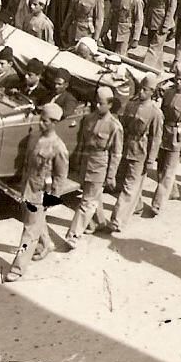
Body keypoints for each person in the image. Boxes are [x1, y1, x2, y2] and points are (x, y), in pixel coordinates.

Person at [5, 104, 69, 281]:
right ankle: (46, 244)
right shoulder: (35, 138)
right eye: (41, 119)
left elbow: (60, 176)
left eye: (45, 121)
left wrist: (52, 199)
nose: (41, 123)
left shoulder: (58, 147)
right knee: (35, 223)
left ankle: (18, 268)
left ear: (54, 123)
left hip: (41, 194)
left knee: (29, 232)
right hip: (28, 189)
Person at [66, 88, 123, 247]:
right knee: (92, 195)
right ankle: (99, 222)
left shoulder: (114, 126)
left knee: (87, 201)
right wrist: (77, 161)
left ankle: (73, 235)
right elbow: (82, 142)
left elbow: (116, 153)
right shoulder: (88, 119)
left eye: (102, 103)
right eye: (96, 102)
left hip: (100, 164)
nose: (97, 106)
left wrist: (111, 175)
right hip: (86, 162)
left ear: (110, 104)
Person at [105, 74, 162, 231]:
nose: (141, 92)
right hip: (125, 147)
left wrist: (150, 160)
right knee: (129, 183)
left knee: (129, 186)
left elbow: (155, 138)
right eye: (141, 88)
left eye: (146, 90)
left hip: (140, 152)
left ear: (152, 92)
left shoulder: (155, 113)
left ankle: (117, 221)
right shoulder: (131, 104)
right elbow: (122, 125)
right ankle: (137, 206)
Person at [145, 63, 181, 216]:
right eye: (176, 79)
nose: (178, 82)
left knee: (168, 172)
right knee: (161, 169)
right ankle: (173, 191)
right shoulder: (168, 93)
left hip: (177, 138)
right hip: (163, 135)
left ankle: (157, 204)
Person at [143, 0, 178, 68]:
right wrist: (146, 19)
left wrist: (166, 25)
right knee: (156, 48)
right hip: (152, 20)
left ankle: (146, 69)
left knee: (153, 49)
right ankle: (158, 71)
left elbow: (171, 8)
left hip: (161, 22)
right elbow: (149, 3)